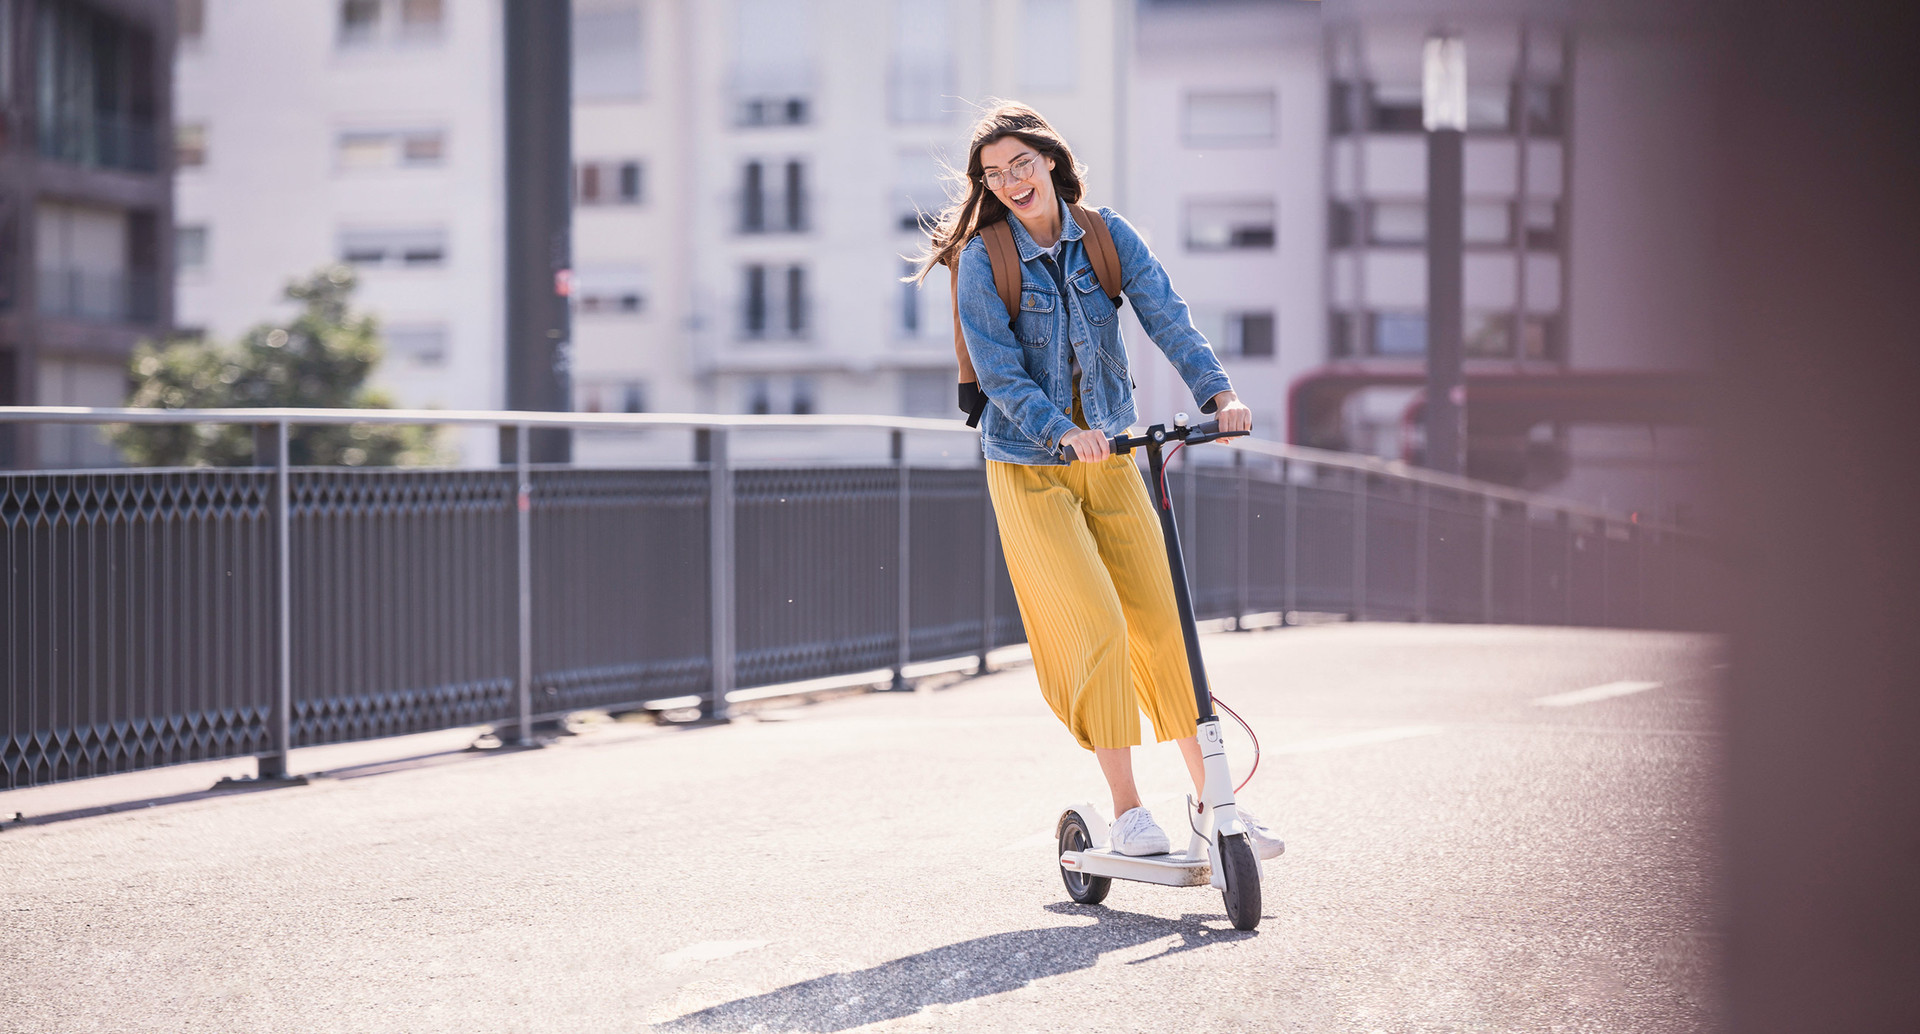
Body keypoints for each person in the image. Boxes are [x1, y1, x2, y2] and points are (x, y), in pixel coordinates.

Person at [914, 103, 1283, 860]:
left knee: (1164, 625)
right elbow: (998, 369)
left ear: (1049, 160)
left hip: (1111, 457)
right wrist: (1060, 430)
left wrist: (1220, 395)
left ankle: (1217, 805)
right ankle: (1126, 811)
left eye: (1020, 164)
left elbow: (1167, 316)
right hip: (1029, 468)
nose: (1010, 181)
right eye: (993, 174)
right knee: (1100, 629)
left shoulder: (1107, 237)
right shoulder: (985, 258)